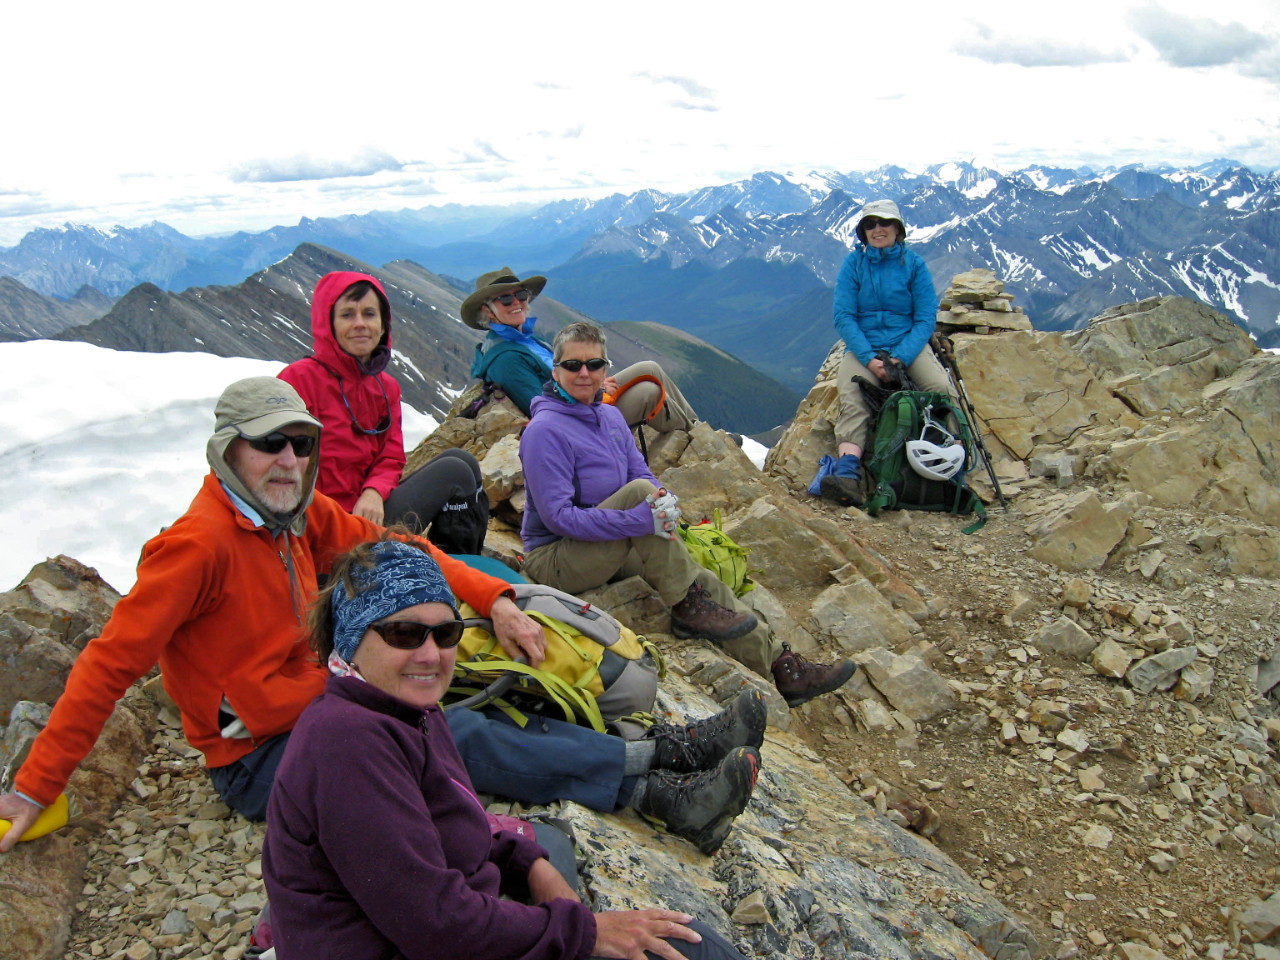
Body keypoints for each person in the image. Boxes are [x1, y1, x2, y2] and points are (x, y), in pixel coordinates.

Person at [0, 378, 761, 854]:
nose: (290, 461)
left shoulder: (293, 513)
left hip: (322, 701)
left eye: (301, 444)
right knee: (446, 731)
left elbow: (398, 549)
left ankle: (670, 748)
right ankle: (656, 793)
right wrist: (32, 790)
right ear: (226, 452)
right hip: (259, 760)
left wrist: (494, 599)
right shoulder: (194, 551)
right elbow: (108, 665)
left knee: (465, 678)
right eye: (269, 446)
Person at [262, 538, 753, 960]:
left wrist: (528, 864)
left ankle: (660, 765)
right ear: (352, 638)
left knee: (549, 846)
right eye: (404, 634)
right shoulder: (347, 744)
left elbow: (461, 823)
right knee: (686, 945)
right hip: (419, 943)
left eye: (445, 633)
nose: (430, 655)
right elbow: (438, 927)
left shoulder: (404, 708)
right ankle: (662, 774)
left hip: (434, 927)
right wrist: (585, 933)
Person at [518, 320, 857, 709]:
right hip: (556, 558)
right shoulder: (545, 431)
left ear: (605, 369)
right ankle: (686, 608)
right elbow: (560, 518)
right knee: (643, 503)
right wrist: (641, 517)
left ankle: (782, 666)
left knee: (699, 577)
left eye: (594, 364)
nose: (584, 373)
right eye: (573, 365)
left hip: (605, 545)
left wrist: (663, 499)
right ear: (555, 370)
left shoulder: (609, 418)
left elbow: (640, 472)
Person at [280, 271, 487, 553]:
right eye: (347, 315)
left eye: (369, 314)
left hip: (370, 513)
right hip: (325, 531)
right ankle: (447, 568)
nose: (360, 324)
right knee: (455, 472)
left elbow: (390, 453)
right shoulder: (299, 380)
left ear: (382, 323)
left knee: (463, 460)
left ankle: (447, 564)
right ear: (327, 323)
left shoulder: (385, 386)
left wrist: (374, 490)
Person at [820, 200, 956, 506]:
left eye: (884, 223)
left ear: (898, 229)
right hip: (866, 347)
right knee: (852, 395)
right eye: (870, 224)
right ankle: (848, 474)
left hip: (906, 344)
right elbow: (844, 316)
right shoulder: (853, 265)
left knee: (941, 389)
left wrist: (900, 359)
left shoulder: (914, 265)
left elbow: (925, 318)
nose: (877, 229)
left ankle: (951, 458)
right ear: (863, 232)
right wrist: (870, 360)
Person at [462, 266, 698, 432]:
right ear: (488, 310)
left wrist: (592, 385)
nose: (516, 302)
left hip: (586, 397)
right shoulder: (506, 359)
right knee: (648, 393)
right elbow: (544, 409)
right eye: (505, 299)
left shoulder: (520, 339)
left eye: (520, 295)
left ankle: (696, 427)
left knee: (650, 368)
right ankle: (692, 439)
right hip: (579, 421)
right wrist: (594, 392)